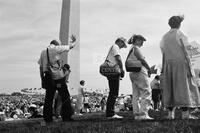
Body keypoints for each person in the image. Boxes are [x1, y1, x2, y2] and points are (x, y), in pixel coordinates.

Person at [160, 15, 200, 119]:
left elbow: (163, 51)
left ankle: (170, 114)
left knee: (170, 87)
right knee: (184, 87)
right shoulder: (181, 34)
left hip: (168, 63)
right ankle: (185, 114)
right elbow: (187, 50)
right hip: (181, 62)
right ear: (179, 24)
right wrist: (190, 65)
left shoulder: (164, 37)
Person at [38, 35, 76, 123]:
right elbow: (71, 46)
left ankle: (47, 119)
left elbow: (40, 68)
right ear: (57, 44)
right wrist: (74, 41)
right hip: (58, 79)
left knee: (49, 98)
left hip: (48, 78)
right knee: (65, 95)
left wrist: (42, 80)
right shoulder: (56, 48)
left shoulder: (43, 52)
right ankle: (66, 117)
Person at [127, 34, 153, 120]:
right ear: (137, 40)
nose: (143, 43)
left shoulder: (131, 48)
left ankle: (137, 115)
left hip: (132, 72)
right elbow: (142, 59)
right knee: (146, 91)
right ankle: (143, 114)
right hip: (139, 71)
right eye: (141, 41)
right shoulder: (136, 48)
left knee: (136, 94)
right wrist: (149, 69)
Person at [106, 37, 127, 119]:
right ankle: (110, 114)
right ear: (120, 41)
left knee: (112, 92)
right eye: (123, 44)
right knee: (114, 93)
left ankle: (109, 113)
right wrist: (122, 69)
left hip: (110, 70)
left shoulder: (113, 47)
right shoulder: (115, 47)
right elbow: (118, 58)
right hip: (113, 71)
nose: (122, 47)